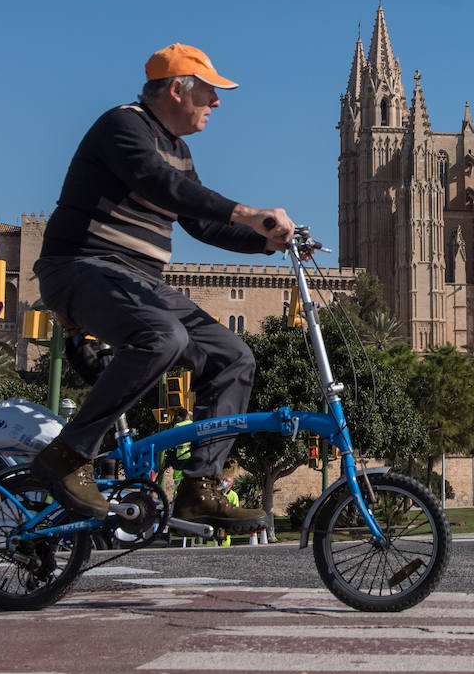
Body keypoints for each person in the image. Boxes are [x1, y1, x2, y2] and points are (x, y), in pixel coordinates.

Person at [28, 43, 295, 534]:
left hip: (140, 281)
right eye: (210, 93)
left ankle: (200, 487)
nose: (216, 104)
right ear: (177, 89)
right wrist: (247, 212)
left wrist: (269, 243)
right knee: (163, 336)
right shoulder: (122, 126)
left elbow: (200, 222)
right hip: (80, 267)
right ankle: (67, 455)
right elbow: (158, 184)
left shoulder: (180, 151)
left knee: (234, 357)